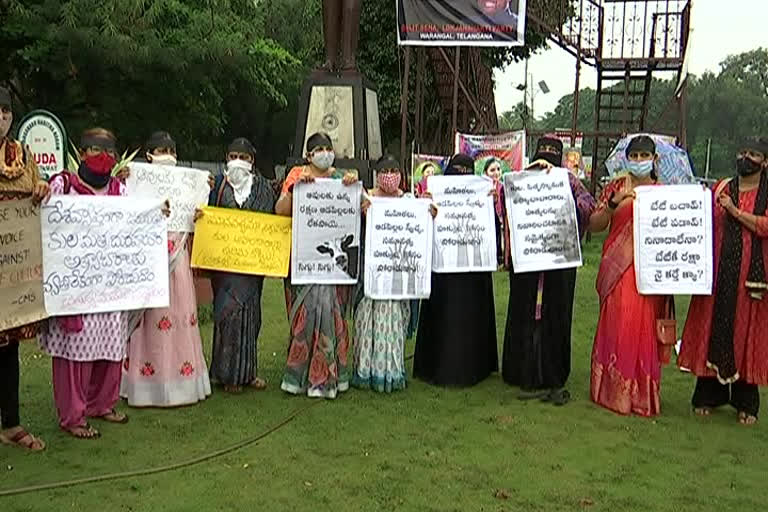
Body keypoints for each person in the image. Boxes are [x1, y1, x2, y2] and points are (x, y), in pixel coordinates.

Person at [40, 128, 134, 439]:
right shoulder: (63, 185)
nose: (103, 157)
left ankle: (102, 404)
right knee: (74, 352)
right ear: (81, 153)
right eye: (95, 150)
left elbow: (135, 222)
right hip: (75, 287)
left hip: (108, 287)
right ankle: (73, 416)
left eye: (109, 151)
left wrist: (156, 214)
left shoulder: (120, 190)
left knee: (110, 345)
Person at [678, 137, 768, 425]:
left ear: (764, 162)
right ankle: (707, 396)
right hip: (715, 274)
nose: (746, 158)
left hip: (750, 281)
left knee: (745, 334)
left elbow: (764, 227)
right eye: (743, 152)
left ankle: (746, 403)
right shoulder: (721, 187)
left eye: (754, 154)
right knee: (710, 327)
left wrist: (734, 211)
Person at [501, 136, 596, 405]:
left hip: (559, 262)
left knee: (556, 314)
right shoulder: (521, 177)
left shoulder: (570, 181)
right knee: (522, 311)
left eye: (551, 157)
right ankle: (519, 370)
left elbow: (589, 207)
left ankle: (553, 372)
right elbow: (503, 198)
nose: (545, 162)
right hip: (527, 261)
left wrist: (563, 191)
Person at [120, 131, 212, 406]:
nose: (166, 155)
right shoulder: (135, 183)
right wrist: (123, 179)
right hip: (148, 260)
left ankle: (183, 382)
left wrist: (201, 201)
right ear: (148, 155)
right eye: (160, 150)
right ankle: (145, 384)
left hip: (178, 259)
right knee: (150, 319)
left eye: (170, 150)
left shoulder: (185, 184)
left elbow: (199, 220)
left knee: (180, 314)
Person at [275, 132, 360, 399]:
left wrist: (356, 187)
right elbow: (280, 211)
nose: (324, 153)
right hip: (304, 260)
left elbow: (364, 204)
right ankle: (299, 376)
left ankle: (330, 375)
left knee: (332, 315)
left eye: (328, 148)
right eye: (318, 149)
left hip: (334, 267)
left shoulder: (342, 179)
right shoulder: (296, 175)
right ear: (308, 155)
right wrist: (294, 189)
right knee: (304, 317)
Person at [588, 135, 667, 417]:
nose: (638, 161)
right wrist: (612, 204)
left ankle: (640, 395)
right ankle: (610, 391)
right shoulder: (615, 187)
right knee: (617, 320)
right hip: (617, 269)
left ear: (654, 159)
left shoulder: (665, 193)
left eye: (644, 156)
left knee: (642, 324)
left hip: (649, 270)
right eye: (633, 156)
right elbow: (595, 225)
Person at [413, 153, 498, 387]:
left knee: (472, 315)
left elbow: (493, 236)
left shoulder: (483, 195)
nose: (461, 177)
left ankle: (474, 366)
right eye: (456, 171)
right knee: (443, 314)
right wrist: (425, 206)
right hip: (444, 269)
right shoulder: (435, 194)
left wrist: (488, 205)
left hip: (474, 270)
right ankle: (437, 364)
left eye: (466, 173)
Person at [353, 156, 437, 392]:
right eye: (384, 170)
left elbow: (421, 228)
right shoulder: (366, 198)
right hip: (372, 274)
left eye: (394, 170)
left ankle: (391, 371)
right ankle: (365, 371)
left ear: (401, 174)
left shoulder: (410, 201)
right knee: (367, 321)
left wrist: (428, 209)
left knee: (394, 323)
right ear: (376, 174)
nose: (389, 175)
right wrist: (361, 213)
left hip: (397, 278)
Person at [202, 138, 276, 393]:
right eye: (233, 155)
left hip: (252, 266)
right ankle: (225, 374)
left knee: (251, 317)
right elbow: (204, 212)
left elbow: (273, 219)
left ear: (251, 161)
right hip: (224, 267)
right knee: (227, 315)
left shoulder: (264, 188)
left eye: (243, 156)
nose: (237, 161)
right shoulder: (217, 187)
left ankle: (248, 372)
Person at [0, 86, 48, 451]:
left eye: (5, 111)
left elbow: (38, 188)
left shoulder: (23, 156)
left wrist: (42, 189)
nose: (0, 118)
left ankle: (11, 423)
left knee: (8, 349)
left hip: (12, 271)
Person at [483, 157, 505, 266]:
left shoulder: (503, 187)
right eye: (492, 170)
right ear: (485, 173)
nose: (496, 172)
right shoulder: (481, 188)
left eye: (498, 169)